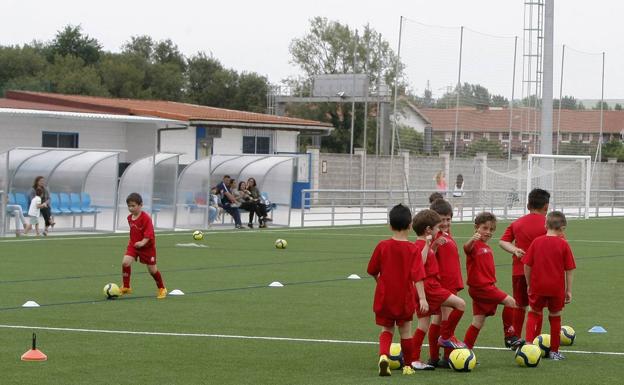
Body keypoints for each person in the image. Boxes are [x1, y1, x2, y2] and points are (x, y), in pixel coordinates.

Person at [367, 204, 427, 376]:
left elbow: (372, 270)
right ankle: (407, 366)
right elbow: (418, 276)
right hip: (404, 297)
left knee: (386, 330)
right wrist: (422, 299)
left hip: (385, 296)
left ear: (390, 225)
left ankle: (384, 356)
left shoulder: (382, 246)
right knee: (406, 332)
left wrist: (379, 281)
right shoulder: (413, 249)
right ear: (410, 226)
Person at [411, 209, 466, 371]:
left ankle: (414, 359)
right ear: (428, 230)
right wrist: (429, 244)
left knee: (423, 325)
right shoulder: (420, 244)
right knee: (461, 304)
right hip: (430, 287)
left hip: (427, 287)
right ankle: (446, 337)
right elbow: (418, 263)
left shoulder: (426, 243)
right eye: (436, 227)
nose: (439, 230)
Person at [462, 212, 522, 351]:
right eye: (485, 228)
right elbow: (466, 247)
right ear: (476, 227)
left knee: (478, 322)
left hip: (485, 287)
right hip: (481, 288)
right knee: (511, 302)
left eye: (491, 229)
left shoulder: (487, 247)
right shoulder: (474, 245)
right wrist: (472, 239)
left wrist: (515, 252)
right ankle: (510, 336)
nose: (488, 232)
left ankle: (465, 351)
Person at [498, 188, 550, 348]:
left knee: (520, 305)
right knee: (537, 307)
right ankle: (533, 341)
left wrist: (515, 250)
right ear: (546, 207)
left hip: (519, 271)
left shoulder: (517, 223)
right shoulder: (549, 224)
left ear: (528, 205)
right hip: (540, 273)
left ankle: (515, 338)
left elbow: (502, 241)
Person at [522, 211, 575, 360]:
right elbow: (569, 269)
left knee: (534, 312)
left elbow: (527, 265)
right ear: (563, 228)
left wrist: (528, 283)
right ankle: (554, 351)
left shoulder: (536, 242)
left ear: (545, 225)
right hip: (556, 288)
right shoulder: (563, 244)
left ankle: (528, 346)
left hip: (537, 285)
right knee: (555, 316)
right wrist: (568, 290)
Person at [426, 199, 465, 368]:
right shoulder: (435, 236)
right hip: (443, 284)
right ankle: (445, 357)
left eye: (448, 219)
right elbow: (427, 257)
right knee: (445, 321)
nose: (445, 223)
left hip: (452, 282)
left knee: (440, 320)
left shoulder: (447, 234)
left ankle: (435, 357)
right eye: (441, 220)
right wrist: (433, 245)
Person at [120, 193, 167, 299]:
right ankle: (126, 287)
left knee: (152, 270)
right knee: (125, 262)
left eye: (133, 206)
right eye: (129, 206)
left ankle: (162, 288)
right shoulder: (129, 218)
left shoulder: (146, 218)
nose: (131, 208)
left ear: (140, 205)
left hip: (147, 248)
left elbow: (149, 234)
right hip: (134, 245)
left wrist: (142, 242)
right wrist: (135, 243)